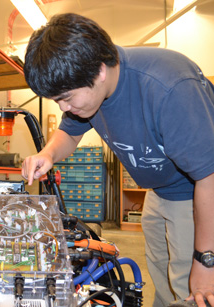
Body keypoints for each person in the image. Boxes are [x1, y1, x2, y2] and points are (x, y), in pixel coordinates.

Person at [21, 13, 214, 307]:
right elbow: (70, 133)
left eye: (67, 97)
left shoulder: (169, 87)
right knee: (162, 286)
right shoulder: (90, 88)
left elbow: (210, 176)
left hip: (195, 195)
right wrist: (47, 154)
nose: (64, 107)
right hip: (159, 193)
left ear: (99, 71)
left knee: (192, 290)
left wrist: (206, 260)